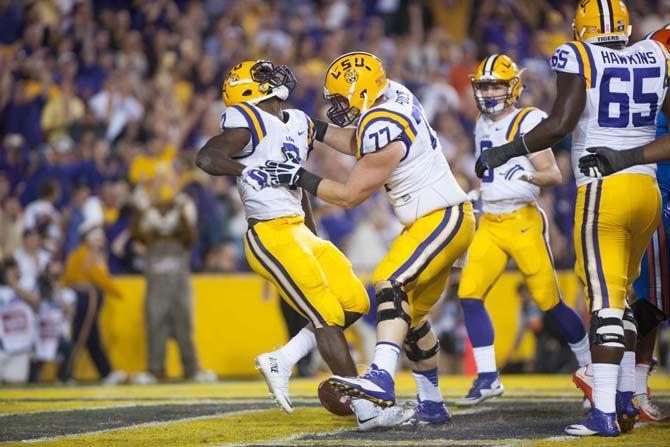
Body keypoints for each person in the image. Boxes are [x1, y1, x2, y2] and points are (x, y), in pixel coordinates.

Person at [472, 1, 665, 436]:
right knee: (622, 300)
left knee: (603, 305)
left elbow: (560, 122)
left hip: (602, 189)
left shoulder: (579, 54)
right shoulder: (656, 54)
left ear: (581, 27)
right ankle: (623, 400)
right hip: (646, 188)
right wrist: (632, 153)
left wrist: (503, 151)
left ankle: (603, 414)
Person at [261, 52, 475, 426]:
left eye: (342, 99)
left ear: (361, 91)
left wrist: (299, 176)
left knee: (388, 281)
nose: (338, 108)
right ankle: (432, 404)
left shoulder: (382, 121)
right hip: (437, 220)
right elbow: (360, 142)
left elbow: (349, 195)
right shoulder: (392, 96)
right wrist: (317, 129)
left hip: (442, 217)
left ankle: (380, 376)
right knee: (413, 319)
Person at [195, 60, 409, 430]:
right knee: (325, 314)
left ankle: (285, 357)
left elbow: (304, 182)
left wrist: (313, 233)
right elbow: (208, 157)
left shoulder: (297, 121)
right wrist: (245, 170)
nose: (274, 78)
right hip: (269, 232)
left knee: (354, 302)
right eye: (263, 76)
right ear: (246, 88)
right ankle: (367, 410)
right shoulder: (246, 119)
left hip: (300, 228)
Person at [455, 54, 591, 406]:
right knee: (469, 295)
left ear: (513, 86)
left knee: (549, 301)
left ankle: (591, 367)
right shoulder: (480, 122)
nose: (488, 93)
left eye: (495, 85)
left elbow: (554, 175)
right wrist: (478, 193)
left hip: (522, 221)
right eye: (483, 86)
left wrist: (527, 175)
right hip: (490, 221)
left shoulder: (529, 120)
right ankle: (487, 378)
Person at [579, 24, 670, 424]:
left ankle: (620, 390)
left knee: (630, 294)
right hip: (653, 185)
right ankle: (625, 388)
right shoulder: (658, 45)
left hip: (632, 182)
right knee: (649, 295)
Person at [130, 180, 215, 384]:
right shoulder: (149, 234)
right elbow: (137, 234)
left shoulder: (182, 231)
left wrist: (180, 208)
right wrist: (143, 209)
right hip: (157, 289)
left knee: (184, 327)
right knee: (154, 327)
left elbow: (190, 234)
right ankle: (155, 369)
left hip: (178, 288)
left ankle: (192, 368)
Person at [61, 221, 127, 385]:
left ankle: (106, 372)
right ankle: (64, 374)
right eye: (96, 236)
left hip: (87, 297)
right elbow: (99, 277)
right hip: (87, 297)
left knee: (91, 336)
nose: (100, 240)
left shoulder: (81, 252)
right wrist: (117, 292)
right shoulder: (87, 254)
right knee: (81, 334)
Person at [0, 257, 38, 384]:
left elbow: (36, 304)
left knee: (16, 391)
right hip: (2, 346)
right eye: (9, 269)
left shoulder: (27, 286)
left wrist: (14, 285)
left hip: (21, 348)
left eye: (15, 268)